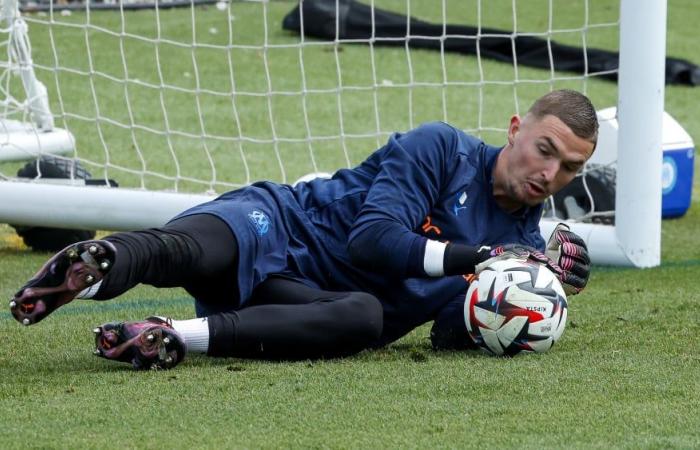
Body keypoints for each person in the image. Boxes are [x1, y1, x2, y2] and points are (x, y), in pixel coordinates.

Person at [10, 89, 595, 370]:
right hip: (282, 223)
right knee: (190, 251)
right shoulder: (440, 148)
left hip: (305, 305)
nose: (550, 173)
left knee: (364, 318)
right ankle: (93, 265)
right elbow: (371, 238)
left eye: (569, 167)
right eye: (545, 150)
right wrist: (484, 255)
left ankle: (168, 336)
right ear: (516, 128)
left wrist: (530, 301)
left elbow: (450, 332)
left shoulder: (520, 253)